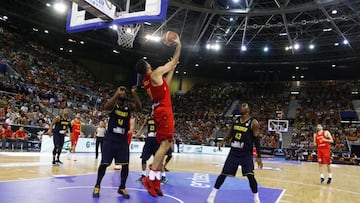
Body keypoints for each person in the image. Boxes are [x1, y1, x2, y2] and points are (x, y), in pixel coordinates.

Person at [135, 33, 181, 197]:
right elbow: (174, 60)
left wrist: (172, 69)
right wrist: (178, 45)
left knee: (165, 144)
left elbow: (166, 86)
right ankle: (150, 177)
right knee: (166, 143)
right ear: (146, 65)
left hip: (159, 110)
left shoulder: (148, 81)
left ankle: (155, 180)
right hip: (164, 110)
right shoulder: (154, 73)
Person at [207, 102, 263, 203]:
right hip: (234, 152)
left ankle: (256, 197)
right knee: (223, 174)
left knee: (250, 176)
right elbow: (231, 133)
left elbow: (257, 140)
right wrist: (223, 141)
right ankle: (212, 194)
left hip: (245, 153)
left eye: (243, 105)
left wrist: (259, 156)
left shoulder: (254, 123)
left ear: (249, 109)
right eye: (241, 106)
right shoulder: (236, 120)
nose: (240, 107)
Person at [92, 86, 142, 198]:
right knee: (104, 164)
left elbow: (140, 108)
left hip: (122, 141)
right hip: (110, 139)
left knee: (125, 165)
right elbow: (106, 107)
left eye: (125, 91)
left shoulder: (128, 107)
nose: (123, 92)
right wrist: (116, 93)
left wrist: (134, 94)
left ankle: (122, 187)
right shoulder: (114, 105)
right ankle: (97, 185)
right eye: (122, 91)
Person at [136, 113, 159, 182]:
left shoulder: (159, 116)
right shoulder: (148, 117)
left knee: (158, 159)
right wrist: (139, 132)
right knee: (143, 158)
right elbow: (144, 125)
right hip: (149, 139)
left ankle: (161, 176)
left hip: (157, 139)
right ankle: (143, 175)